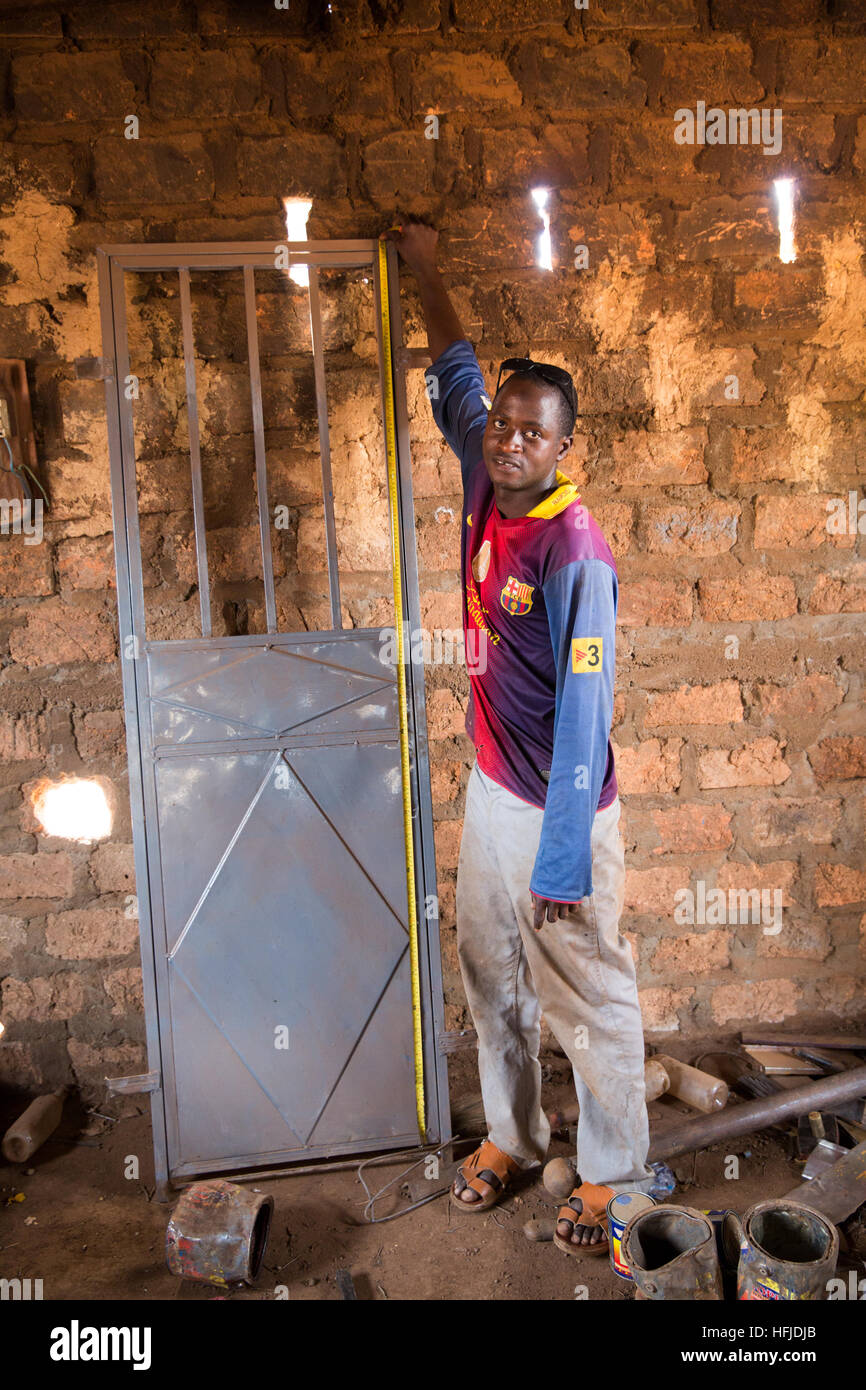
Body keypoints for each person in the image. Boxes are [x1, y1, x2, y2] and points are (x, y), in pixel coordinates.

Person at [381, 219, 656, 1257]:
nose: (507, 439)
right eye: (501, 422)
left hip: (563, 809)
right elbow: (453, 363)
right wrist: (421, 265)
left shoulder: (572, 551)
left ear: (561, 447)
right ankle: (510, 1134)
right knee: (488, 969)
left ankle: (612, 1175)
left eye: (531, 431)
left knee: (585, 994)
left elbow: (587, 714)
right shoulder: (481, 464)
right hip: (493, 787)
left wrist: (558, 859)